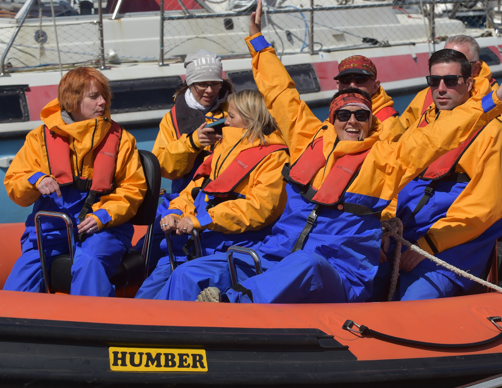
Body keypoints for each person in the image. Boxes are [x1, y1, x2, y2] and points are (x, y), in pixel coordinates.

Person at [154, 0, 502, 304]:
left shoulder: (385, 157)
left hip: (338, 270)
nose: (351, 121)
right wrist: (257, 40)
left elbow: (437, 139)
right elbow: (281, 95)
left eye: (361, 114)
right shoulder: (310, 140)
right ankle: (150, 339)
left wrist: (488, 106)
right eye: (343, 113)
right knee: (189, 274)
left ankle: (232, 308)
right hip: (279, 252)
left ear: (372, 121)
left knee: (305, 265)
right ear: (331, 115)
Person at [378, 48, 502, 301]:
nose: (441, 88)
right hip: (403, 234)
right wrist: (384, 226)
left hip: (452, 248)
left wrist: (428, 246)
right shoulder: (422, 126)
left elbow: (484, 207)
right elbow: (391, 179)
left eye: (451, 81)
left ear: (468, 83)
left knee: (414, 300)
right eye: (434, 81)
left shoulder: (494, 135)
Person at [3, 67, 146, 297]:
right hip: (51, 230)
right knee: (21, 279)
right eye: (94, 96)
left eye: (104, 96)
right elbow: (15, 181)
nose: (103, 102)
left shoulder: (123, 141)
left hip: (103, 230)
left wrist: (103, 215)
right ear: (72, 100)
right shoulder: (38, 138)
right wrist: (36, 181)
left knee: (88, 262)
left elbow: (133, 189)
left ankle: (93, 328)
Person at [135, 89, 289, 299]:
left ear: (250, 119)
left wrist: (203, 220)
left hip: (230, 246)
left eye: (231, 116)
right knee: (150, 289)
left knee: (183, 278)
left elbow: (260, 208)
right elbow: (194, 190)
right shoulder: (223, 149)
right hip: (196, 242)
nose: (225, 122)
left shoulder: (275, 158)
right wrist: (175, 211)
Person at [134, 49, 233, 267]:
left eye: (215, 84)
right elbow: (163, 166)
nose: (209, 90)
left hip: (222, 198)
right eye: (202, 84)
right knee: (150, 247)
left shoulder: (235, 111)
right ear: (190, 83)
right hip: (184, 196)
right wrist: (192, 143)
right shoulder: (172, 119)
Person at [399, 35, 502, 132]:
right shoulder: (427, 95)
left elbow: (499, 142)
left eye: (460, 61)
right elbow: (400, 132)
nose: (441, 88)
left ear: (476, 68)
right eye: (446, 58)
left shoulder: (496, 99)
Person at [334, 55, 399, 122]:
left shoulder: (388, 120)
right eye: (345, 80)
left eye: (360, 79)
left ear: (375, 86)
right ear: (338, 86)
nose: (352, 85)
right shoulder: (334, 114)